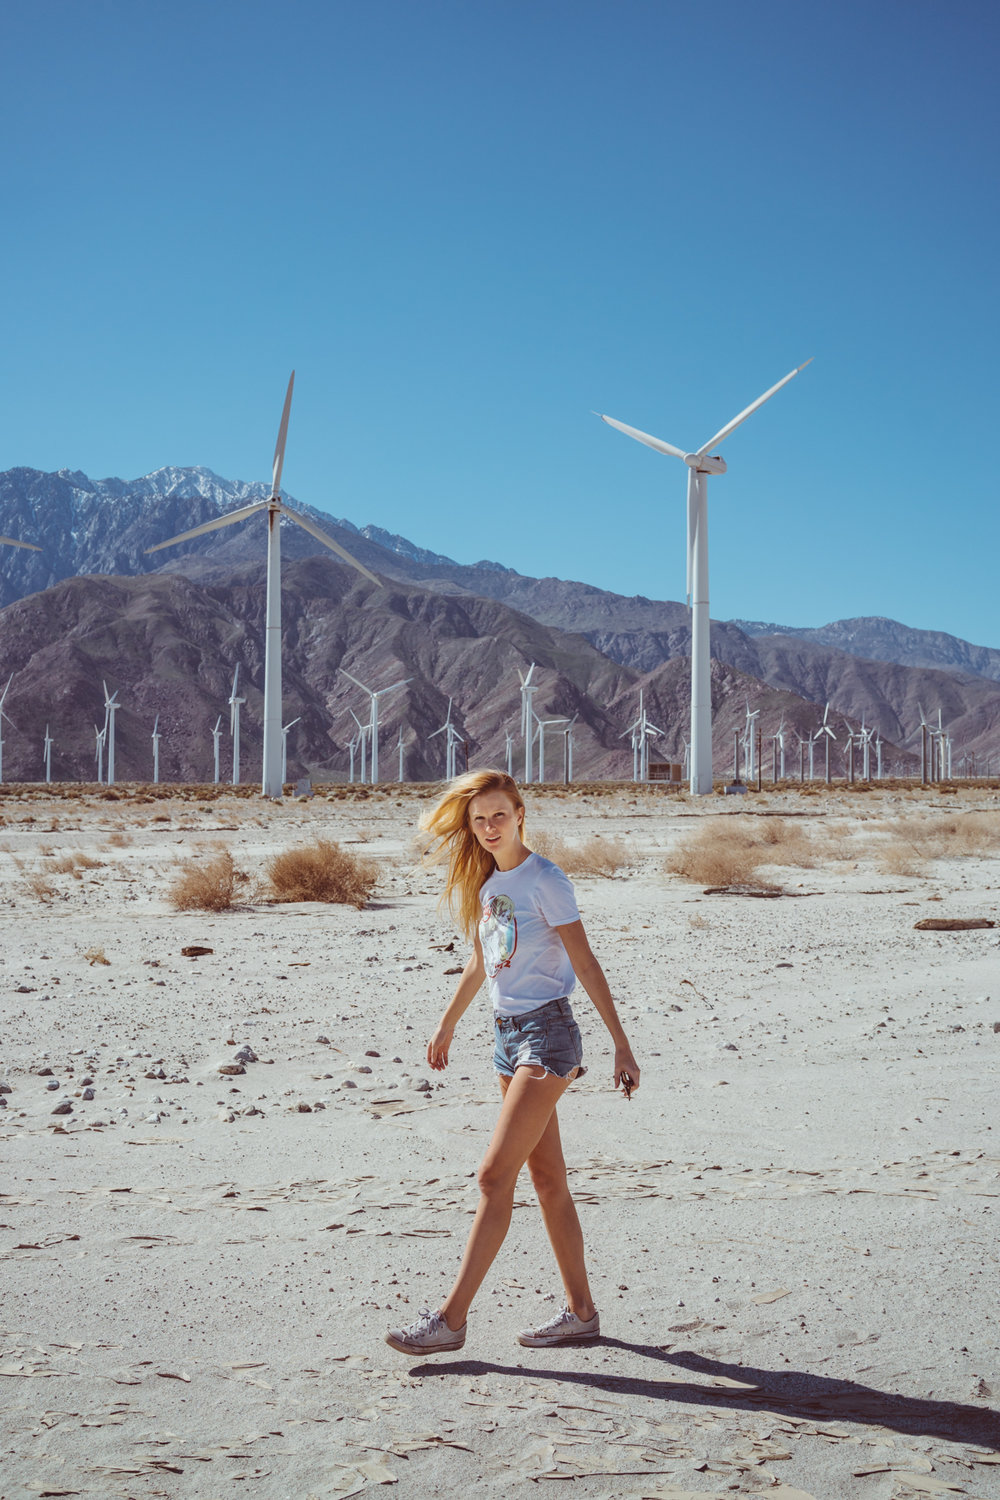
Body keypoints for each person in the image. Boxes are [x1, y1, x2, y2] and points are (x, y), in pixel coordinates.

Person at [385, 768, 640, 1356]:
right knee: (548, 1182)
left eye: (499, 815)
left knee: (493, 1177)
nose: (489, 827)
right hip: (504, 1039)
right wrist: (447, 1023)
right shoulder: (487, 884)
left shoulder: (545, 879)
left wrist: (619, 1044)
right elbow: (481, 963)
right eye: (478, 820)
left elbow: (586, 960)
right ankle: (582, 1314)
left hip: (547, 1038)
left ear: (520, 813)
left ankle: (450, 1321)